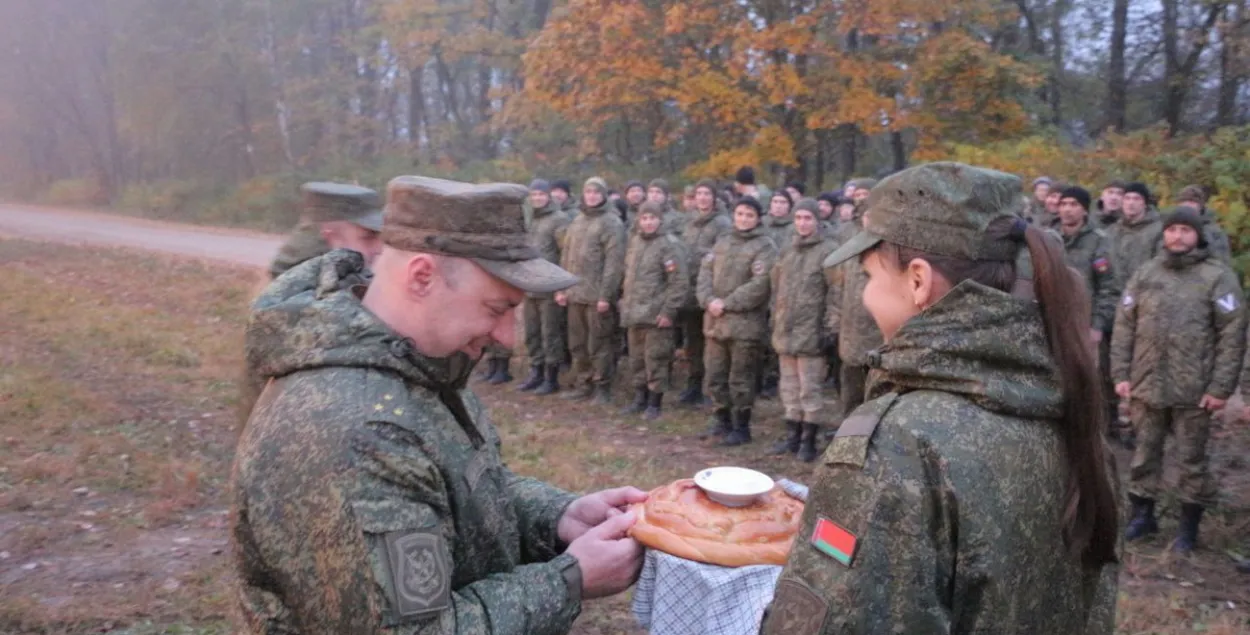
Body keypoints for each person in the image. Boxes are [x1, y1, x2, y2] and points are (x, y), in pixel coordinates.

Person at [231, 175, 649, 634]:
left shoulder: (418, 364)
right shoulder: (354, 433)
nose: (510, 337)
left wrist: (560, 516)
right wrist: (568, 581)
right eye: (496, 308)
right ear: (422, 276)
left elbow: (454, 487)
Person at [762, 162, 1120, 635]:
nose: (866, 296)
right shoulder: (1068, 410)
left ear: (917, 281)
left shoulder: (897, 441)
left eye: (869, 276)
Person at [1113, 208, 1245, 555]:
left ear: (1198, 236)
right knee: (1144, 454)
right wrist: (1121, 374)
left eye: (1186, 230)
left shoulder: (1217, 277)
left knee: (1192, 460)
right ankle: (1143, 517)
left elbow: (1232, 334)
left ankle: (1188, 528)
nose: (1178, 236)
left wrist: (1220, 388)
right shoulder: (1146, 272)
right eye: (1172, 230)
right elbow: (1125, 325)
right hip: (1147, 384)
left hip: (1195, 390)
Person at [697, 197, 778, 445]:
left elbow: (760, 284)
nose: (743, 219)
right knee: (715, 375)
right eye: (740, 213)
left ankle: (741, 427)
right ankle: (721, 420)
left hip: (745, 326)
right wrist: (708, 299)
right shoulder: (723, 241)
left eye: (749, 215)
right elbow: (705, 273)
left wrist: (727, 303)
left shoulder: (765, 246)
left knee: (741, 378)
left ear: (757, 218)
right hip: (715, 322)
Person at [769, 199, 837, 462]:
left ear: (817, 221)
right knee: (789, 386)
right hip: (786, 329)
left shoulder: (828, 251)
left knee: (810, 388)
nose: (802, 223)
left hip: (812, 331)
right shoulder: (787, 250)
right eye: (798, 218)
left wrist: (830, 328)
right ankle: (792, 435)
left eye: (808, 218)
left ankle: (809, 440)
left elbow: (835, 292)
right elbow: (777, 289)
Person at [556, 177, 627, 404]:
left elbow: (614, 264)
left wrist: (606, 295)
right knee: (577, 343)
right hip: (575, 293)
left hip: (597, 296)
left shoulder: (612, 223)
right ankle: (583, 383)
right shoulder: (577, 221)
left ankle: (602, 387)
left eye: (597, 192)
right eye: (588, 192)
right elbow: (566, 257)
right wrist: (562, 288)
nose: (592, 196)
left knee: (600, 343)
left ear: (604, 195)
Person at [1058, 186, 1120, 433]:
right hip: (1054, 321)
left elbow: (1109, 287)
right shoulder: (1050, 237)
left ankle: (1096, 431)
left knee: (1090, 381)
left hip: (1085, 324)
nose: (1067, 209)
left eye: (1073, 204)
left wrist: (1098, 324)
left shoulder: (1099, 240)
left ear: (1084, 209)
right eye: (1063, 204)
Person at [619, 202, 689, 420]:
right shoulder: (635, 242)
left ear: (660, 219)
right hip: (634, 313)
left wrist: (668, 311)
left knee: (656, 359)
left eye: (652, 218)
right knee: (637, 359)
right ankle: (639, 398)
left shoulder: (668, 245)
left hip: (656, 315)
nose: (648, 222)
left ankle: (654, 403)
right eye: (644, 218)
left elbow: (679, 282)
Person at [676, 179, 732, 408]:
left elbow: (722, 256)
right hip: (689, 290)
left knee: (712, 344)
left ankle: (713, 388)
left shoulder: (722, 223)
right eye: (698, 193)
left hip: (710, 290)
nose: (702, 198)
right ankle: (693, 383)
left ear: (714, 197)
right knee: (692, 342)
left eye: (706, 193)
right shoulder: (687, 221)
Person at [516, 179, 572, 396]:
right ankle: (536, 372)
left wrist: (561, 286)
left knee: (551, 334)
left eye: (541, 194)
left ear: (548, 196)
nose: (537, 198)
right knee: (532, 333)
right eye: (534, 195)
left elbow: (565, 255)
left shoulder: (559, 220)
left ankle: (551, 377)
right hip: (531, 286)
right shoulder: (530, 219)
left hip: (550, 286)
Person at [268, 181, 384, 279]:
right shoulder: (301, 296)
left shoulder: (337, 278)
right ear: (332, 238)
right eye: (367, 238)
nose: (379, 249)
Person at [1175, 185, 1233, 263]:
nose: (1187, 206)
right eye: (1183, 202)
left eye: (1192, 202)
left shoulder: (1214, 231)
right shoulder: (1171, 228)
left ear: (1200, 206)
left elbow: (1222, 259)